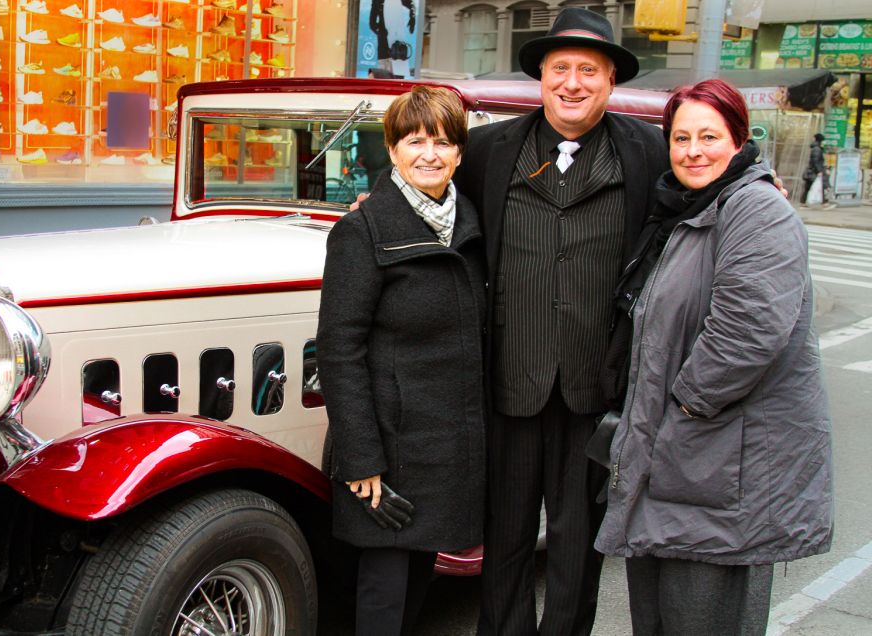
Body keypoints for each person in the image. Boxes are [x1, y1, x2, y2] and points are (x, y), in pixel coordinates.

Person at [450, 9, 669, 634]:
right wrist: (376, 203)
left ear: (609, 82)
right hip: (509, 383)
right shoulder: (490, 150)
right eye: (561, 69)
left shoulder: (647, 151)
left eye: (589, 71)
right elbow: (426, 184)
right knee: (507, 540)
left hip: (591, 388)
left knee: (577, 548)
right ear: (542, 78)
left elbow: (708, 174)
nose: (573, 83)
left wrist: (759, 189)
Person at [594, 79, 833, 635]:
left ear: (738, 140)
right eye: (681, 138)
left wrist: (682, 408)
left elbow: (748, 334)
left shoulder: (755, 210)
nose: (693, 150)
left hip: (721, 462)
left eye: (709, 135)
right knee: (660, 617)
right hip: (678, 454)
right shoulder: (682, 209)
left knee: (706, 617)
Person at [317, 85, 486, 636]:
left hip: (444, 446)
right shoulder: (360, 233)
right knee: (383, 597)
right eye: (415, 141)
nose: (429, 154)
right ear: (391, 150)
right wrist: (361, 460)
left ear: (460, 152)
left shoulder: (472, 226)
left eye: (442, 141)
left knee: (417, 585)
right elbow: (339, 351)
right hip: (388, 449)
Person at [801, 132, 827, 205]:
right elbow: (815, 161)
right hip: (813, 171)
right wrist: (819, 170)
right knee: (812, 186)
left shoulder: (817, 148)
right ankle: (823, 203)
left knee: (812, 186)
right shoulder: (817, 149)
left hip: (813, 171)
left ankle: (823, 202)